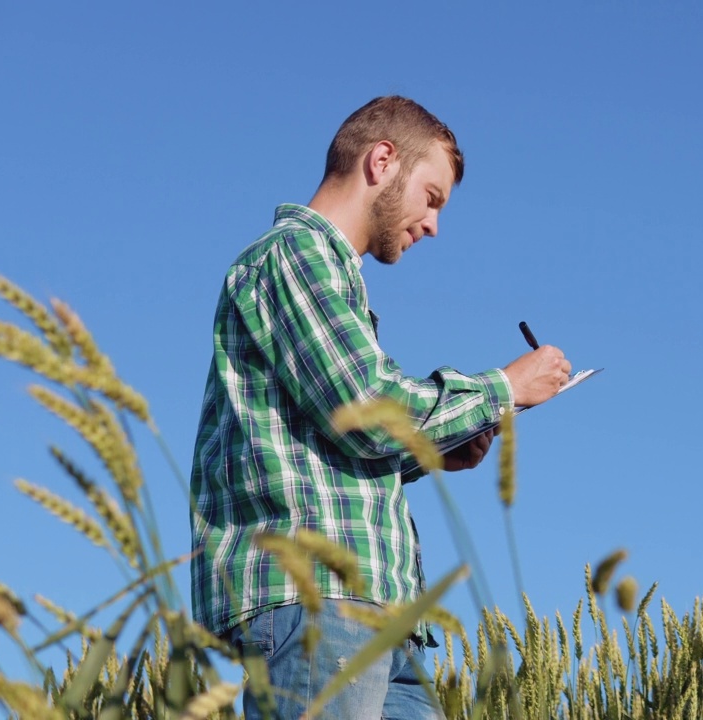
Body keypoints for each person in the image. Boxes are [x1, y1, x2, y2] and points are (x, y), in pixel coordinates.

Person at [189, 96, 570, 720]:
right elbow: (368, 410)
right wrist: (502, 388)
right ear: (383, 161)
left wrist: (433, 453)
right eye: (433, 196)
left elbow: (333, 444)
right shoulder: (294, 257)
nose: (434, 224)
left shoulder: (328, 275)